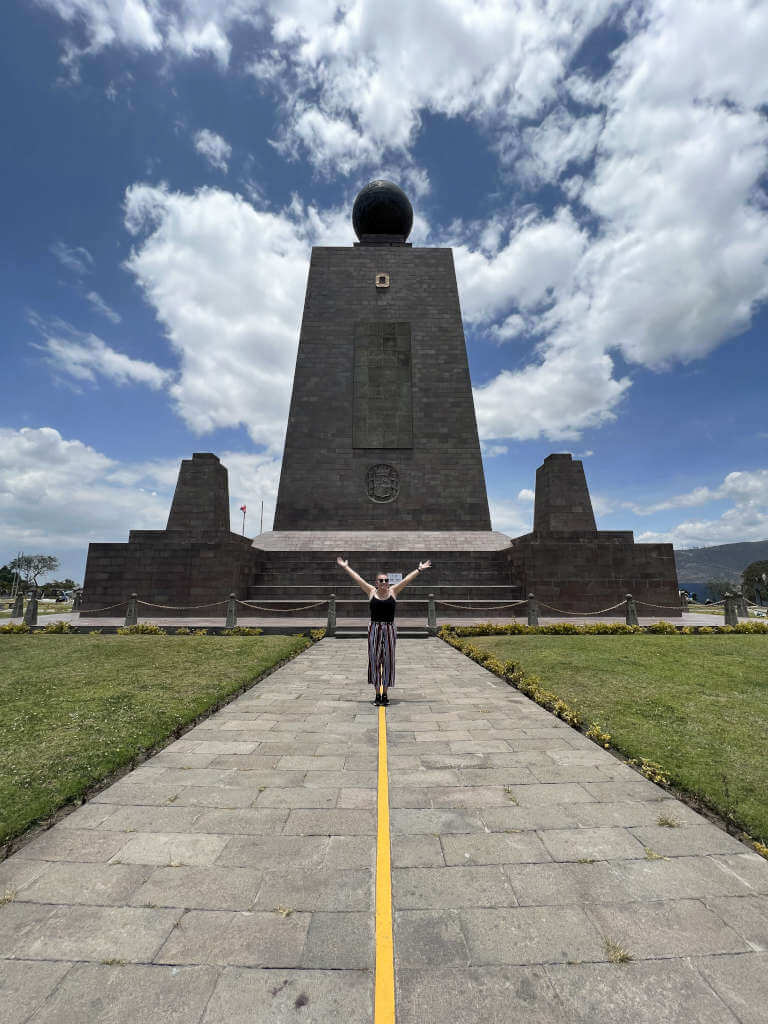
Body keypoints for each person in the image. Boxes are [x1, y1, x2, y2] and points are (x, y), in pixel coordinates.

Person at [336, 557, 431, 705]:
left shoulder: (393, 591)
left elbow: (407, 580)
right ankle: (377, 694)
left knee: (388, 661)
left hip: (389, 629)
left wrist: (419, 569)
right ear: (376, 583)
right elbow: (358, 579)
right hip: (374, 628)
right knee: (374, 661)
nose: (384, 583)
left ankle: (385, 694)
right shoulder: (371, 592)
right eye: (381, 580)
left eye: (386, 580)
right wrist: (346, 567)